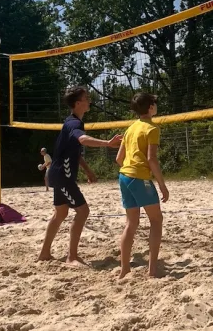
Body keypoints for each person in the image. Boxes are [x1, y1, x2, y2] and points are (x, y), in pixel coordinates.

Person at [38, 86, 123, 265]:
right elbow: (83, 140)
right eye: (86, 98)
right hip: (63, 176)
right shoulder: (74, 124)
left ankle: (45, 253)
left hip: (58, 174)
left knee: (60, 214)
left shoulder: (71, 122)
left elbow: (75, 152)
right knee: (83, 211)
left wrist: (88, 170)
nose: (89, 100)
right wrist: (108, 143)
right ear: (78, 103)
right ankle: (72, 256)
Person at [114, 92, 169, 279]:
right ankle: (152, 270)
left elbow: (118, 158)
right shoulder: (151, 129)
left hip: (124, 177)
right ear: (151, 107)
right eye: (155, 103)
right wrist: (162, 185)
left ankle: (124, 269)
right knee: (156, 220)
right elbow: (151, 159)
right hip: (139, 177)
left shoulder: (130, 128)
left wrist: (131, 173)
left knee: (131, 223)